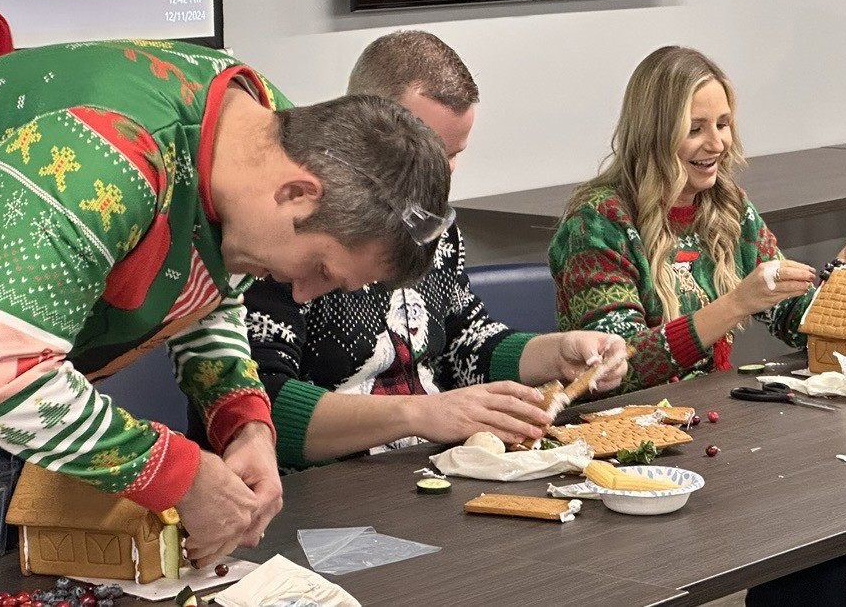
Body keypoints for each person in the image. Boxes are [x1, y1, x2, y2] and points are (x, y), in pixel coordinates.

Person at [0, 38, 452, 565]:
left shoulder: (266, 133)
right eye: (320, 268)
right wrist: (176, 473)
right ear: (297, 193)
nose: (301, 294)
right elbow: (0, 372)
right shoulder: (107, 155)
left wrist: (245, 424)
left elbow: (207, 286)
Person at [548, 45, 846, 605]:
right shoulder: (598, 223)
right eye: (695, 128)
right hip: (630, 459)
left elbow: (795, 318)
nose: (718, 143)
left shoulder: (728, 207)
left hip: (712, 434)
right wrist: (733, 304)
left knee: (816, 534)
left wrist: (842, 284)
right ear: (653, 133)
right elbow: (616, 368)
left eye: (723, 124)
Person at [221, 31, 628, 468]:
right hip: (322, 489)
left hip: (429, 472)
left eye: (454, 154)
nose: (443, 174)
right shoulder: (290, 239)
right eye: (429, 150)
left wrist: (559, 352)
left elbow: (465, 340)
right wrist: (418, 414)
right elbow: (258, 402)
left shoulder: (436, 229)